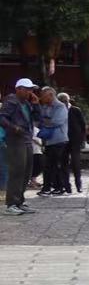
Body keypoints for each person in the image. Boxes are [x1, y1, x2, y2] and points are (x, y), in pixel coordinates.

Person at [2, 79, 35, 215]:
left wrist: (37, 104)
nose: (30, 92)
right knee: (17, 172)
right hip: (16, 141)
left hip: (26, 139)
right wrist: (13, 128)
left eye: (31, 89)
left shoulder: (26, 103)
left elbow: (37, 117)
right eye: (27, 89)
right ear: (18, 89)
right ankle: (12, 203)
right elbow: (2, 118)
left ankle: (20, 201)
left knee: (27, 171)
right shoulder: (11, 101)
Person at [36, 87, 69, 196]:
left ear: (51, 95)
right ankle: (58, 187)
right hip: (48, 140)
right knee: (51, 165)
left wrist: (45, 121)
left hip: (59, 140)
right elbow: (41, 120)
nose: (42, 98)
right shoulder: (45, 106)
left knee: (51, 164)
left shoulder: (60, 107)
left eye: (44, 96)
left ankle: (48, 188)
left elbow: (56, 122)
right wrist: (46, 121)